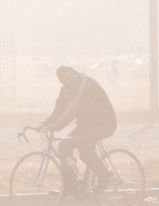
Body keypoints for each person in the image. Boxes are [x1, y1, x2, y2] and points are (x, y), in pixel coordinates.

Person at [37, 66, 117, 196]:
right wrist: (44, 124)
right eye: (65, 78)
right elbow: (58, 110)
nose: (70, 79)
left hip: (104, 124)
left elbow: (71, 111)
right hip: (86, 126)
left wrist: (55, 126)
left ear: (75, 73)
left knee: (81, 142)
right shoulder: (66, 90)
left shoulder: (86, 85)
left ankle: (104, 175)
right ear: (63, 82)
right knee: (64, 146)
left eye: (71, 75)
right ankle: (70, 186)